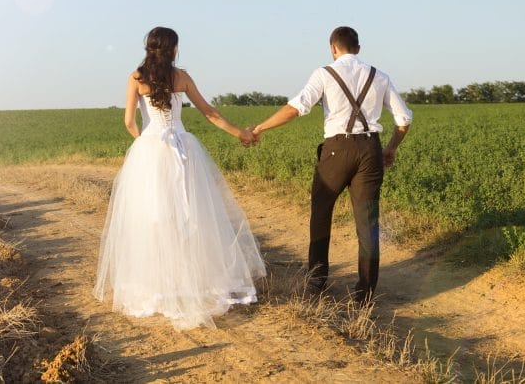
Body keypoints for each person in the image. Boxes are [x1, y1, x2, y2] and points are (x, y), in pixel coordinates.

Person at [94, 26, 266, 330]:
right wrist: (241, 132)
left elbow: (129, 122)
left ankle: (162, 286)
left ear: (148, 47)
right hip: (183, 149)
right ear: (173, 48)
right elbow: (209, 112)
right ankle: (194, 283)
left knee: (155, 217)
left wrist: (144, 145)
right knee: (192, 214)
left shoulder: (135, 77)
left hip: (152, 150)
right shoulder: (182, 77)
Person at [248, 26, 412, 304]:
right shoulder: (380, 76)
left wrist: (260, 128)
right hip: (371, 150)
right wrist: (391, 149)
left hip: (337, 150)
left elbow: (296, 108)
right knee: (367, 221)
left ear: (333, 49)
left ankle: (316, 283)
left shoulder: (325, 73)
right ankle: (365, 292)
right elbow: (404, 120)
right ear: (358, 48)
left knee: (321, 212)